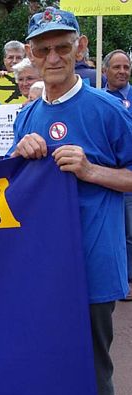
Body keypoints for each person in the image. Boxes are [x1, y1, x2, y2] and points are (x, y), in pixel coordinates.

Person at [9, 8, 132, 395]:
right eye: (43, 50)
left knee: (93, 369)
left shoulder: (109, 110)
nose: (54, 58)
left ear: (80, 47)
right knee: (45, 360)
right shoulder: (26, 115)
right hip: (43, 265)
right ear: (31, 54)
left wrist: (91, 171)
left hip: (93, 264)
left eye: (62, 47)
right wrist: (19, 155)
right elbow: (14, 189)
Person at [102, 49, 132, 302]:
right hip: (110, 179)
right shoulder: (100, 101)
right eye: (117, 67)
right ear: (105, 71)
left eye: (126, 67)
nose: (123, 71)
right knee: (119, 231)